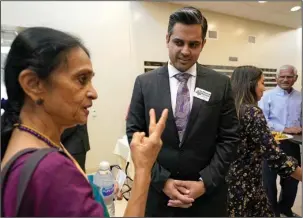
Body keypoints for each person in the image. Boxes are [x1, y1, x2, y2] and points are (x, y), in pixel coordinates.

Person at [1, 27, 168, 217]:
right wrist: (144, 169)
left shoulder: (29, 139)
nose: (93, 93)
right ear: (33, 84)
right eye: (81, 79)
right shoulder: (51, 171)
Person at [126, 7, 240, 217]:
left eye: (194, 44)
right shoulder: (145, 83)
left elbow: (229, 138)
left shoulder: (220, 84)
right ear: (167, 39)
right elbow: (135, 134)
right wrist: (163, 181)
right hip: (159, 195)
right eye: (179, 42)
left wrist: (205, 182)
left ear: (203, 44)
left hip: (207, 196)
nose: (186, 51)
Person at [227, 65, 302, 217]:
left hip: (231, 182)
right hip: (248, 183)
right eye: (262, 82)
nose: (264, 87)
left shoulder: (230, 109)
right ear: (251, 84)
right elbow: (275, 157)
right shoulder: (252, 112)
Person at [258, 65, 302, 217]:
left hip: (294, 145)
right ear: (276, 78)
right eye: (282, 76)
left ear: (295, 78)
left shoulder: (300, 97)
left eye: (289, 76)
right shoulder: (267, 96)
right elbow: (262, 119)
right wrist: (284, 128)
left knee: (292, 180)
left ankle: (285, 209)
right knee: (269, 181)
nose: (285, 79)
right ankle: (272, 212)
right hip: (270, 143)